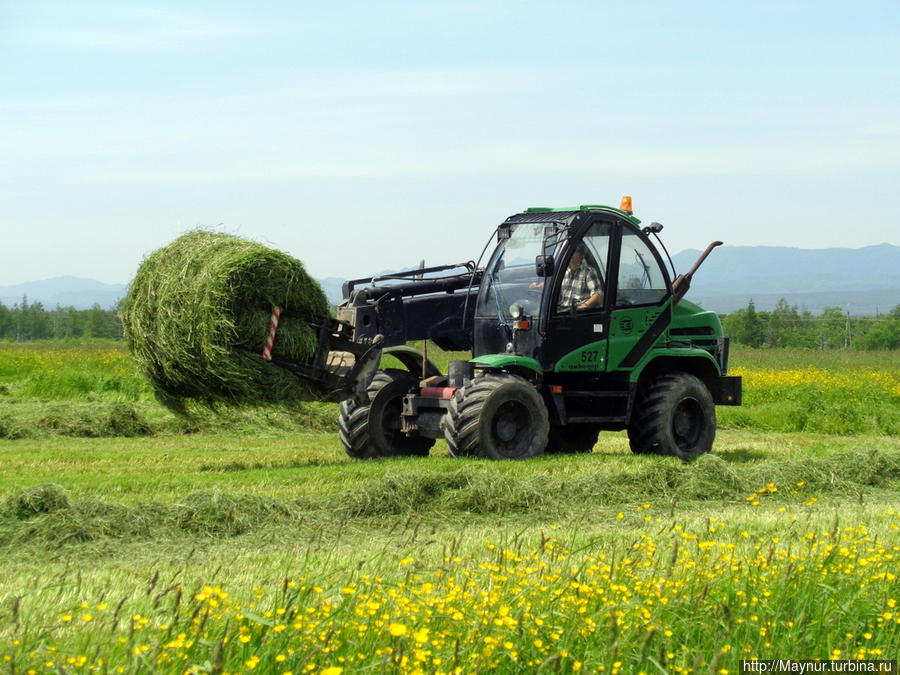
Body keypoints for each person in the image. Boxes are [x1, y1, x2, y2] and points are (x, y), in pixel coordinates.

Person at [557, 245, 603, 311]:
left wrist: (583, 306)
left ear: (582, 256)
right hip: (561, 310)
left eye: (574, 251)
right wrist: (539, 285)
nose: (571, 254)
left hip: (578, 313)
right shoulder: (562, 271)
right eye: (570, 252)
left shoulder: (588, 272)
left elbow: (597, 294)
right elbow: (554, 285)